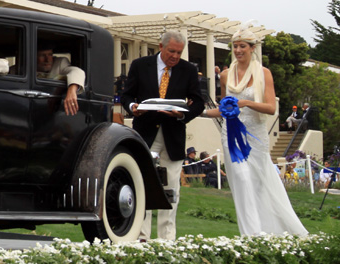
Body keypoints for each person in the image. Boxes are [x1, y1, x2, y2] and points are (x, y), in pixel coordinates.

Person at [202, 25, 307, 237]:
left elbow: (271, 108)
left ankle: (273, 229)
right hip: (231, 135)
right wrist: (195, 113)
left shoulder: (263, 74)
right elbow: (224, 109)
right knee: (241, 179)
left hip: (255, 135)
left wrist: (246, 103)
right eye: (235, 46)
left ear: (252, 48)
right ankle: (251, 234)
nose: (238, 50)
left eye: (242, 46)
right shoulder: (225, 75)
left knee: (259, 183)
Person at [120, 29, 204, 241]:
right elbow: (127, 94)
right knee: (143, 183)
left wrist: (182, 115)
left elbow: (199, 102)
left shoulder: (188, 70)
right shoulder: (140, 65)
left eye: (179, 52)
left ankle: (167, 238)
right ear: (161, 47)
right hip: (145, 134)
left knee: (171, 188)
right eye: (171, 51)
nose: (175, 56)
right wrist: (132, 107)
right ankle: (141, 236)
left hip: (173, 136)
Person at [36, 41, 85, 116]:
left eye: (50, 55)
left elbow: (77, 71)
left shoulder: (59, 63)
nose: (47, 59)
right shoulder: (24, 68)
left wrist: (72, 89)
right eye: (42, 55)